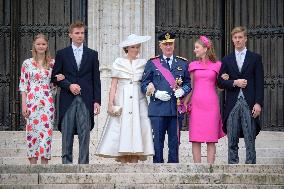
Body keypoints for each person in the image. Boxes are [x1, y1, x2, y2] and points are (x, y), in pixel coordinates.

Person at [96, 34, 154, 163]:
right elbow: (113, 86)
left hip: (139, 100)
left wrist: (150, 86)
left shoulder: (143, 63)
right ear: (127, 48)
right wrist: (110, 104)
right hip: (122, 99)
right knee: (121, 128)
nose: (136, 50)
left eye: (138, 47)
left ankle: (135, 159)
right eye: (133, 47)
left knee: (138, 127)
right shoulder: (118, 62)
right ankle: (122, 159)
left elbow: (147, 81)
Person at [51, 21, 101, 164]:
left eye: (82, 33)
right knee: (67, 133)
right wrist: (69, 85)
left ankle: (84, 164)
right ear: (70, 35)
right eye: (77, 33)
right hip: (67, 99)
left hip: (86, 98)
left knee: (84, 134)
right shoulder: (62, 54)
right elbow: (55, 77)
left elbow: (96, 79)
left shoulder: (92, 54)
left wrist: (97, 101)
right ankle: (66, 164)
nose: (80, 36)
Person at [141, 31, 191, 163]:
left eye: (170, 44)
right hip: (157, 109)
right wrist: (155, 93)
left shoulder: (182, 63)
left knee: (174, 142)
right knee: (157, 141)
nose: (168, 47)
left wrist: (183, 91)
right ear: (160, 46)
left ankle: (173, 168)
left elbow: (188, 84)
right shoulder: (152, 63)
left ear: (174, 45)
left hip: (175, 109)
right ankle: (157, 170)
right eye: (165, 44)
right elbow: (144, 84)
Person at [217, 26, 264, 164]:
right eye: (235, 38)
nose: (237, 40)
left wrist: (258, 103)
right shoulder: (226, 59)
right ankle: (232, 166)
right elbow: (220, 82)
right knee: (232, 138)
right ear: (232, 39)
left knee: (250, 138)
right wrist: (233, 82)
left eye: (240, 37)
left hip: (249, 103)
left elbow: (260, 83)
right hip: (232, 103)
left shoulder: (255, 58)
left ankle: (251, 167)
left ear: (245, 39)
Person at [19, 33, 65, 164]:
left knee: (46, 132)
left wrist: (58, 79)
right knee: (32, 132)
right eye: (38, 44)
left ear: (47, 46)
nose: (41, 46)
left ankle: (45, 165)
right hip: (31, 101)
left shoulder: (52, 63)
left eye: (43, 44)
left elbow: (54, 85)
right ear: (34, 45)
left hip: (46, 101)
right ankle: (33, 165)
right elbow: (23, 85)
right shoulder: (27, 63)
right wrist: (24, 106)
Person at [183, 36, 225, 164]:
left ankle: (210, 169)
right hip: (196, 104)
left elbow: (221, 87)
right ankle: (197, 168)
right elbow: (191, 86)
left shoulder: (218, 65)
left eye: (197, 47)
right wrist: (185, 101)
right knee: (196, 138)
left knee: (211, 138)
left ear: (205, 49)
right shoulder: (192, 65)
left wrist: (224, 79)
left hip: (211, 105)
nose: (194, 50)